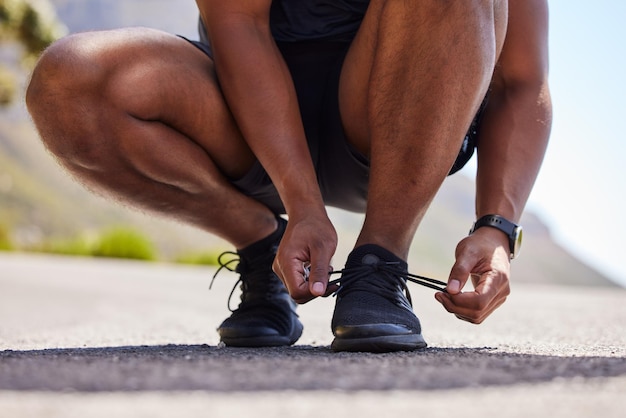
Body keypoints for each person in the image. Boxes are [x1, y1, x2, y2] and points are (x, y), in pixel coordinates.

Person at [25, 0, 551, 352]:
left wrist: (497, 228)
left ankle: (379, 264)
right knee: (70, 83)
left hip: (393, 127)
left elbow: (520, 80)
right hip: (250, 118)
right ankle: (261, 246)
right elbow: (238, 23)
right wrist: (301, 204)